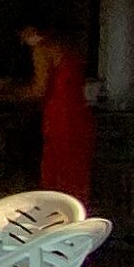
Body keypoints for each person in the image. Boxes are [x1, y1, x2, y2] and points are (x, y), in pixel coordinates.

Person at [19, 19, 93, 203]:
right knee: (76, 177)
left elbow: (39, 89)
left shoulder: (42, 49)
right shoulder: (70, 46)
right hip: (80, 117)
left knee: (58, 179)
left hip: (60, 119)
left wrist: (5, 93)